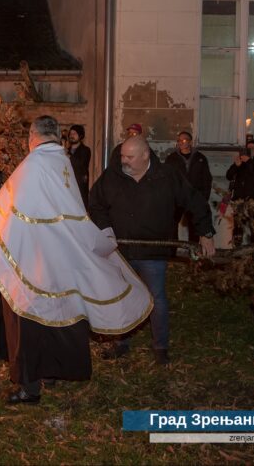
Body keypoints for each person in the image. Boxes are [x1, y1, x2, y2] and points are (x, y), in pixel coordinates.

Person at [0, 115, 152, 404]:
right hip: (58, 259)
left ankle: (29, 386)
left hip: (31, 261)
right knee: (53, 317)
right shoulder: (62, 161)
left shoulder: (33, 164)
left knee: (26, 319)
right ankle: (49, 373)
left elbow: (5, 212)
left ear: (32, 136)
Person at [90, 135, 216, 365]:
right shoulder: (113, 176)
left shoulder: (167, 176)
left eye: (130, 157)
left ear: (145, 155)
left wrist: (206, 233)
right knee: (122, 296)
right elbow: (95, 203)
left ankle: (160, 347)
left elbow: (194, 201)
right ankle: (121, 342)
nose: (124, 161)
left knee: (156, 297)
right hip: (122, 251)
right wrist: (105, 228)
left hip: (153, 252)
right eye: (122, 156)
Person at [164, 131, 212, 243]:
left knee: (194, 225)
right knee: (172, 224)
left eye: (184, 140)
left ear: (190, 142)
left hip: (194, 196)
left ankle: (193, 253)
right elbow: (167, 178)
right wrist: (169, 196)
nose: (181, 142)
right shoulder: (172, 158)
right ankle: (172, 252)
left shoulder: (200, 158)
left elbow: (206, 179)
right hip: (177, 197)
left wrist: (203, 197)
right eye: (179, 140)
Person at [225, 138, 254, 245]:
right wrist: (236, 165)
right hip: (239, 199)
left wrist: (249, 161)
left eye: (252, 148)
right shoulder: (241, 163)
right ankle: (236, 251)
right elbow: (229, 176)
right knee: (238, 226)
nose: (249, 149)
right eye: (248, 148)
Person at [67, 124, 91, 209]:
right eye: (70, 133)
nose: (71, 136)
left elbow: (81, 164)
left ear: (80, 136)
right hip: (67, 187)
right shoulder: (66, 150)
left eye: (74, 134)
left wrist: (68, 155)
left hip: (80, 188)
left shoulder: (86, 150)